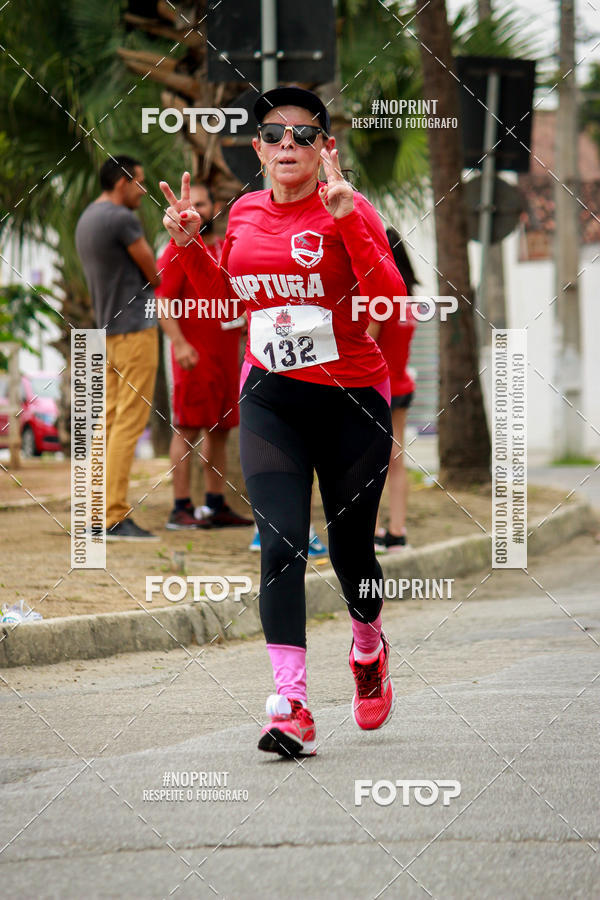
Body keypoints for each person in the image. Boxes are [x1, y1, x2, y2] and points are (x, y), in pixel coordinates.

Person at [159, 86, 406, 757]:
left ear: (326, 147)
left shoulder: (350, 211)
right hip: (272, 397)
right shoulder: (240, 213)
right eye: (274, 134)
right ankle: (291, 704)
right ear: (258, 149)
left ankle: (366, 645)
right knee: (282, 544)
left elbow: (393, 300)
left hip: (353, 400)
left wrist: (350, 217)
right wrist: (188, 247)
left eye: (303, 135)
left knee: (353, 550)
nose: (287, 146)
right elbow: (228, 298)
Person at [155, 182, 253, 529]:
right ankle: (180, 509)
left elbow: (236, 295)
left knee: (221, 431)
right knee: (186, 430)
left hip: (228, 358)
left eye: (202, 203)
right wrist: (180, 344)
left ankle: (215, 504)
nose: (195, 209)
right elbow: (163, 303)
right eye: (190, 203)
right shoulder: (174, 251)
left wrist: (247, 323)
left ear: (213, 206)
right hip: (193, 358)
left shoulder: (226, 247)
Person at [76, 155, 160, 540]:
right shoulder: (122, 220)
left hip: (106, 332)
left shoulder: (87, 219)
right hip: (135, 330)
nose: (142, 190)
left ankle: (96, 512)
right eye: (139, 182)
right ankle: (113, 514)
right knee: (130, 422)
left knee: (107, 423)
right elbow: (153, 271)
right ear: (122, 182)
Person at [370, 228, 417, 551]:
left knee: (370, 461)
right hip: (400, 384)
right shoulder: (408, 299)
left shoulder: (379, 297)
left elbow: (366, 341)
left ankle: (372, 531)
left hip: (374, 386)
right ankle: (397, 531)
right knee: (396, 458)